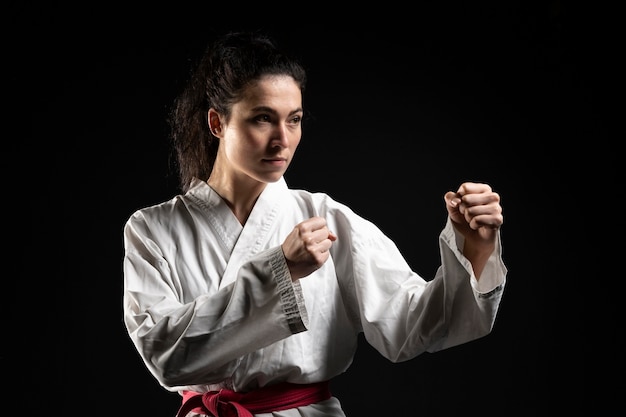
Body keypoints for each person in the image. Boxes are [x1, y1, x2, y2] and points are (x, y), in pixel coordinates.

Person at [122, 31, 507, 417]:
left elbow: (412, 323)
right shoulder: (153, 229)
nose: (282, 140)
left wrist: (475, 249)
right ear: (217, 122)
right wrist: (279, 270)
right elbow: (163, 354)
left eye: (294, 120)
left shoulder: (323, 218)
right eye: (262, 119)